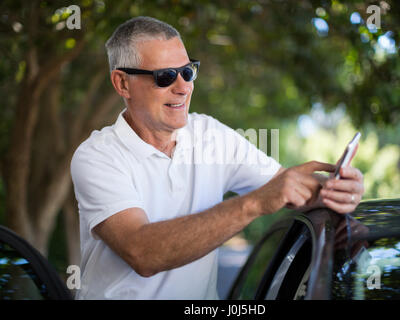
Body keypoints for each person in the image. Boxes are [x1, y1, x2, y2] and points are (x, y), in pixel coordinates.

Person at [70, 16, 364, 300]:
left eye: (187, 71)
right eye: (165, 77)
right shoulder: (96, 156)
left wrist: (338, 191)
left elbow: (287, 189)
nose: (183, 87)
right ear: (122, 84)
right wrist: (255, 203)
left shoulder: (210, 134)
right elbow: (143, 253)